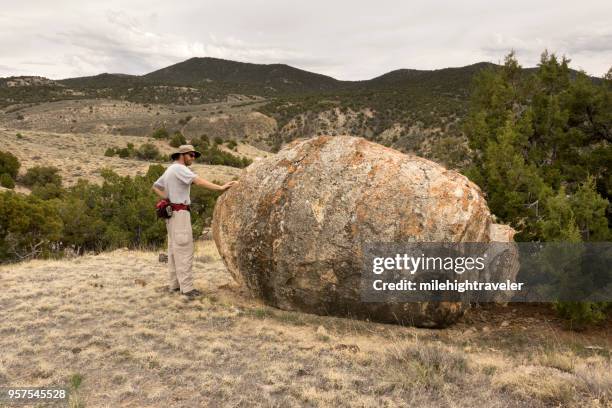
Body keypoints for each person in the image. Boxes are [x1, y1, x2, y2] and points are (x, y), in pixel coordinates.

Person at [151, 144, 238, 298]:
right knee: (184, 250)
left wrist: (167, 198)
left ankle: (175, 285)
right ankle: (188, 289)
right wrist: (220, 187)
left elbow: (155, 186)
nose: (193, 158)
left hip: (172, 215)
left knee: (174, 250)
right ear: (182, 155)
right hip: (180, 213)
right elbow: (198, 181)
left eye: (194, 156)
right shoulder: (180, 168)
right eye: (191, 155)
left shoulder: (170, 169)